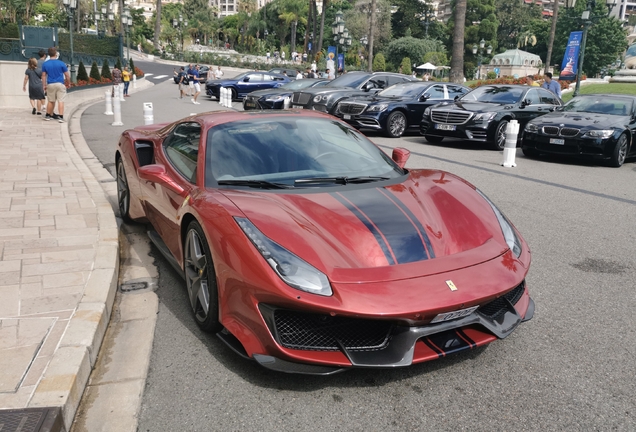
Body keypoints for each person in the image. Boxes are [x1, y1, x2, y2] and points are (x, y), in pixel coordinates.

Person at [41, 47, 70, 122]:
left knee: (51, 100)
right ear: (56, 54)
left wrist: (44, 85)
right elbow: (67, 75)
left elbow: (43, 75)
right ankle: (60, 117)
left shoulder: (45, 64)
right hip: (60, 83)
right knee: (61, 100)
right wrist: (68, 83)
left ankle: (48, 115)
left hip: (50, 84)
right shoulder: (61, 63)